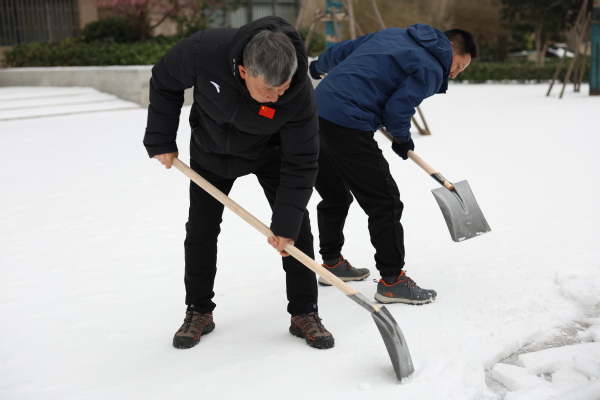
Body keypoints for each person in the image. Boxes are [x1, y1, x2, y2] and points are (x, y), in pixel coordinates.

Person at [144, 16, 334, 350]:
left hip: (268, 153)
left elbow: (302, 161)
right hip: (210, 150)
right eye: (268, 91)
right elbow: (164, 79)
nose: (276, 98)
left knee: (296, 229)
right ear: (244, 71)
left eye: (282, 89)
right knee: (201, 229)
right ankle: (198, 309)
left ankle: (305, 311)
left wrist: (285, 225)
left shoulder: (298, 94)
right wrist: (161, 138)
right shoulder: (204, 51)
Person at [308, 24, 478, 304]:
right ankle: (392, 282)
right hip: (348, 122)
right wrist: (402, 139)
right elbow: (398, 109)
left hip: (313, 114)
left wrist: (318, 67)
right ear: (450, 48)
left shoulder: (394, 34)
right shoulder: (431, 67)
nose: (455, 74)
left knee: (335, 194)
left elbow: (346, 49)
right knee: (385, 203)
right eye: (459, 66)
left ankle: (332, 264)